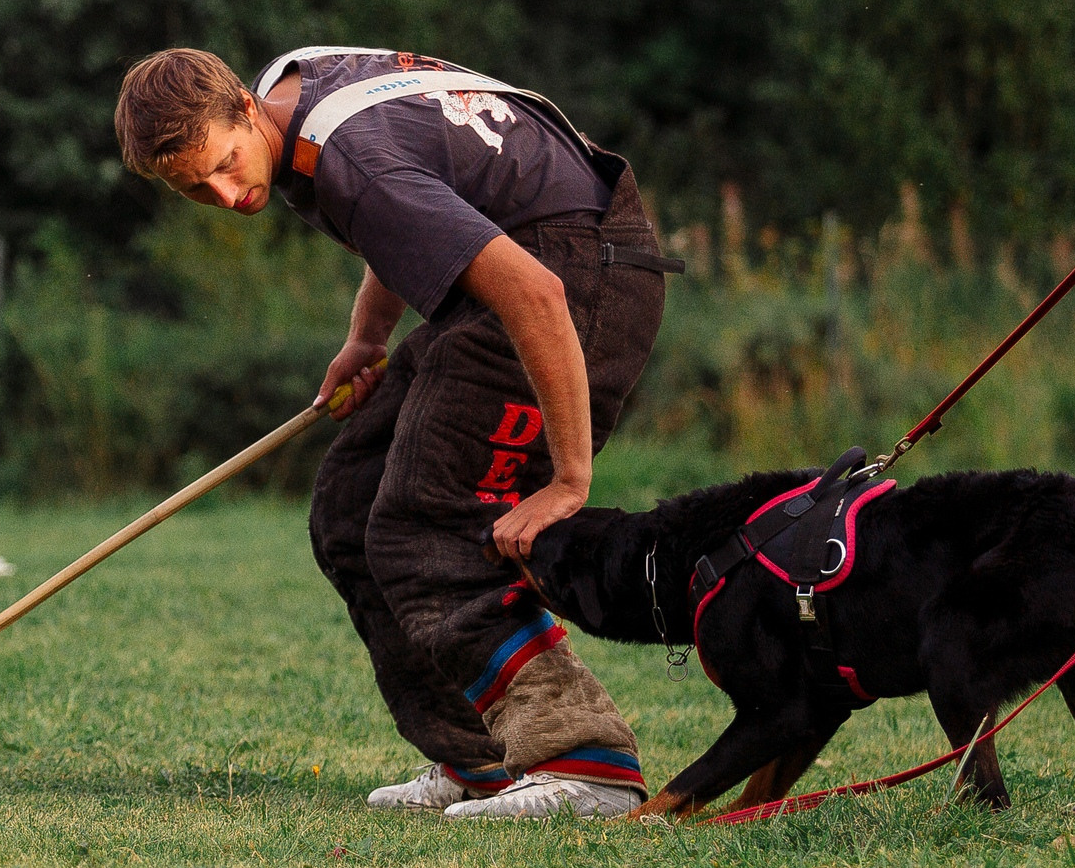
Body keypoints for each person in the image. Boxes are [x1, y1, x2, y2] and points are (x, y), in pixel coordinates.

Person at [113, 45, 682, 820]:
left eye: (224, 163)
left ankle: (585, 765)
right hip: (528, 271)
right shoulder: (299, 82)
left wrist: (569, 480)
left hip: (578, 279)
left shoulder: (349, 159)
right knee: (351, 507)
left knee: (428, 521)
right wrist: (369, 335)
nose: (225, 193)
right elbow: (422, 211)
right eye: (194, 190)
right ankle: (480, 758)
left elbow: (538, 294)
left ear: (245, 109)